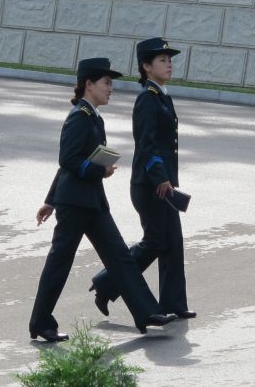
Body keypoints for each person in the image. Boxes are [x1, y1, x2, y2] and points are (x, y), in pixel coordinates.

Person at [28, 57, 175, 342]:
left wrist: (49, 200)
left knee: (121, 258)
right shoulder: (78, 118)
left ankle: (147, 313)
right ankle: (40, 321)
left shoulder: (94, 117)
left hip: (92, 202)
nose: (111, 89)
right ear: (89, 84)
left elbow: (69, 164)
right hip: (75, 205)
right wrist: (99, 170)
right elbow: (68, 160)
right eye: (107, 83)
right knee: (60, 263)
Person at [89, 38, 195, 320]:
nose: (169, 63)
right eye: (162, 60)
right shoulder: (147, 99)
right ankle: (106, 283)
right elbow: (146, 144)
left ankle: (174, 303)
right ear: (146, 66)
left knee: (172, 242)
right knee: (155, 242)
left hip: (164, 184)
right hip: (150, 185)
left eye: (169, 59)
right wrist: (160, 178)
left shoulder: (161, 95)